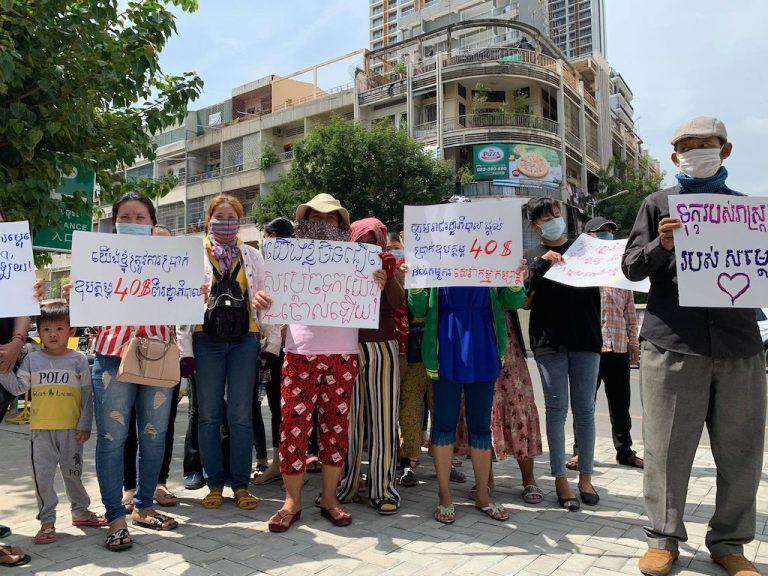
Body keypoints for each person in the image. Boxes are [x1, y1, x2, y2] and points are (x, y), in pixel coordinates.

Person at [623, 117, 766, 576]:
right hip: (673, 343)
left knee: (741, 450)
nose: (697, 151)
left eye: (707, 144)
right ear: (674, 157)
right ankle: (663, 538)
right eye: (688, 146)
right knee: (665, 448)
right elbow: (630, 268)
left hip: (740, 345)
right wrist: (662, 246)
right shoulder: (656, 204)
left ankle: (729, 543)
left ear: (725, 151)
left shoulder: (750, 212)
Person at [258, 193, 386, 533]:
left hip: (343, 353)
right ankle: (292, 501)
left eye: (331, 219)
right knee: (292, 429)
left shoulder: (362, 260)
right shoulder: (287, 259)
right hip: (300, 351)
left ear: (342, 225)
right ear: (304, 223)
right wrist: (262, 299)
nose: (324, 224)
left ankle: (330, 498)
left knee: (335, 428)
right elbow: (268, 300)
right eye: (316, 218)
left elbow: (376, 299)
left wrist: (378, 284)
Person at [407, 197, 528, 524]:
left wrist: (516, 277)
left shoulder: (490, 252)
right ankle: (444, 494)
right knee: (443, 425)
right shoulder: (429, 260)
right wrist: (415, 284)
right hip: (443, 346)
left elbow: (510, 299)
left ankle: (484, 493)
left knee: (480, 426)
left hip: (483, 346)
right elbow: (418, 311)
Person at [81, 192, 180, 551]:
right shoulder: (99, 258)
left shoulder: (172, 261)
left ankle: (144, 506)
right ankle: (115, 518)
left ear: (153, 223)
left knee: (154, 436)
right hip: (111, 356)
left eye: (141, 217)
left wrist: (193, 293)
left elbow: (182, 309)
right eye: (126, 217)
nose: (134, 223)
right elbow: (87, 314)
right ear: (114, 222)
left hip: (158, 356)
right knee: (112, 439)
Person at [178, 194, 273, 511]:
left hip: (244, 339)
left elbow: (267, 295)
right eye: (219, 215)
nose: (225, 221)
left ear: (240, 221)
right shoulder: (194, 253)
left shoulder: (252, 255)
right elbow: (179, 301)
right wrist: (184, 351)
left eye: (232, 216)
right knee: (208, 415)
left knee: (241, 415)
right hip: (206, 340)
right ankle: (214, 482)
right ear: (208, 220)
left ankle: (241, 484)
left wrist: (269, 337)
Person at [1, 302, 106, 544]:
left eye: (60, 328)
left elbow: (88, 395)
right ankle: (47, 522)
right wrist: (3, 371)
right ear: (39, 332)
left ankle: (80, 512)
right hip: (41, 432)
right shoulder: (32, 360)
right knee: (43, 479)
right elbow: (18, 387)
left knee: (73, 473)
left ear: (71, 331)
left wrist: (85, 424)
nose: (53, 334)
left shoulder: (79, 360)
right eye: (47, 330)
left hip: (72, 431)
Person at [525, 197, 601, 512]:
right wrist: (542, 264)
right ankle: (559, 478)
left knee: (585, 411)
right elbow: (523, 299)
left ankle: (585, 475)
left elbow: (612, 274)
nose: (553, 220)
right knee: (556, 411)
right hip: (549, 341)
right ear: (534, 225)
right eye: (545, 217)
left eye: (556, 214)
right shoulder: (531, 257)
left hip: (586, 338)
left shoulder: (586, 248)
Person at [338, 218, 405, 514]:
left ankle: (382, 488)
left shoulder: (388, 264)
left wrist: (387, 278)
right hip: (347, 346)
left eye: (373, 241)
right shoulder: (339, 264)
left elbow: (401, 302)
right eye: (361, 241)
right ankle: (348, 484)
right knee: (350, 421)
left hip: (383, 345)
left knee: (383, 419)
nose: (367, 247)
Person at [566, 217, 643, 472]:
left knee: (621, 404)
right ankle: (580, 452)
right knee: (584, 403)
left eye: (611, 231)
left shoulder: (620, 273)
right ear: (588, 237)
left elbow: (629, 313)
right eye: (601, 232)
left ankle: (625, 451)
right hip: (588, 348)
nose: (608, 236)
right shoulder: (579, 272)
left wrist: (634, 346)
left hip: (618, 348)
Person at [122, 224, 180, 511]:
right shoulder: (125, 272)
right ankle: (129, 488)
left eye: (167, 244)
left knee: (162, 427)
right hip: (131, 356)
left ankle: (158, 482)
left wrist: (199, 296)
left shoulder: (179, 275)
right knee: (128, 427)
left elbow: (186, 319)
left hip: (167, 355)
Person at [252, 217, 294, 486]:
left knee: (290, 409)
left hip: (295, 348)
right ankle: (278, 462)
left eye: (269, 236)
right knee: (277, 407)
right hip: (272, 349)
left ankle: (290, 462)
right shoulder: (263, 268)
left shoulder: (298, 267)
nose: (267, 242)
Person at [489, 310, 544, 504]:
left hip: (507, 336)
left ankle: (528, 478)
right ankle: (485, 479)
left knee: (519, 403)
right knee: (482, 407)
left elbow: (518, 298)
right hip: (476, 326)